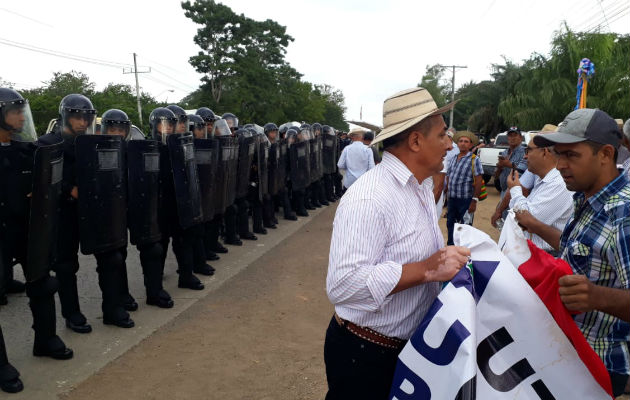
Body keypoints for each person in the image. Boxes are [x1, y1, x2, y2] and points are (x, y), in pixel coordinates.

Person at [325, 87, 470, 398]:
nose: (450, 144)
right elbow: (343, 284)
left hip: (404, 350)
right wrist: (427, 270)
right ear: (416, 141)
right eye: (443, 135)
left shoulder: (419, 186)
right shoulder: (370, 197)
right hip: (366, 355)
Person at [515, 108, 630, 397]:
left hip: (597, 366)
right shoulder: (585, 196)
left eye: (572, 155)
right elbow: (580, 251)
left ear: (605, 154)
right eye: (558, 154)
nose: (561, 165)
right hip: (567, 355)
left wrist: (597, 296)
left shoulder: (624, 214)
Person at [0, 88, 74, 361]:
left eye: (22, 112)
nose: (21, 118)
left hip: (25, 227)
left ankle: (45, 340)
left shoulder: (29, 150)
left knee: (43, 283)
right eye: (14, 112)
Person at [39, 94, 96, 334]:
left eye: (86, 117)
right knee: (64, 265)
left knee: (110, 254)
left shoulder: (88, 143)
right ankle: (71, 313)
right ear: (66, 116)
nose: (83, 122)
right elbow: (44, 177)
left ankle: (116, 302)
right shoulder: (47, 143)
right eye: (77, 117)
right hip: (60, 213)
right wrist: (68, 189)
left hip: (86, 210)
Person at [505, 131, 573, 256]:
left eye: (528, 150)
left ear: (545, 152)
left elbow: (527, 220)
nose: (525, 157)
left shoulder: (558, 184)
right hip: (535, 253)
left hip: (545, 256)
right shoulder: (544, 178)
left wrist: (515, 190)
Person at [444, 131, 483, 245]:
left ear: (471, 145)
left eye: (466, 142)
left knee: (465, 228)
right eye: (461, 141)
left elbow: (479, 180)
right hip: (452, 199)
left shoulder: (474, 159)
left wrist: (474, 201)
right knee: (450, 224)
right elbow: (448, 176)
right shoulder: (454, 158)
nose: (463, 144)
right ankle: (451, 247)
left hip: (466, 200)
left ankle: (463, 253)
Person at [495, 126, 527, 197]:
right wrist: (499, 167)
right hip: (503, 190)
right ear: (507, 138)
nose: (512, 138)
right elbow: (496, 176)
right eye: (510, 135)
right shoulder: (504, 153)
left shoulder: (525, 153)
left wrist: (509, 164)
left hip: (518, 191)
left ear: (521, 138)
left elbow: (525, 171)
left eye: (515, 135)